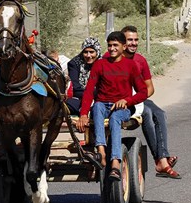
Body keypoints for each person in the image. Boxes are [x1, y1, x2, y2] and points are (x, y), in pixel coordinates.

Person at [76, 31, 148, 182]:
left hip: (122, 108)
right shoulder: (100, 64)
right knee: (96, 108)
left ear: (123, 46)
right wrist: (83, 115)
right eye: (109, 45)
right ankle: (101, 151)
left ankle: (115, 162)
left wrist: (127, 100)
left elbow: (143, 92)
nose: (112, 48)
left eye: (116, 45)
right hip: (102, 104)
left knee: (115, 118)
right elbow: (89, 90)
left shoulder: (131, 65)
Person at [121, 26, 181, 179]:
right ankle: (160, 161)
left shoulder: (140, 60)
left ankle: (163, 157)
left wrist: (138, 99)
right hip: (120, 99)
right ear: (122, 42)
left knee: (159, 113)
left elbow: (150, 88)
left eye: (135, 40)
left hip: (138, 98)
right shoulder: (114, 57)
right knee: (147, 112)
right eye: (129, 40)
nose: (133, 43)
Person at [66, 37, 101, 116]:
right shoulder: (74, 64)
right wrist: (88, 97)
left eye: (92, 52)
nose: (88, 55)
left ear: (97, 52)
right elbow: (76, 87)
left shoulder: (103, 63)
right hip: (80, 97)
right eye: (85, 52)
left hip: (99, 98)